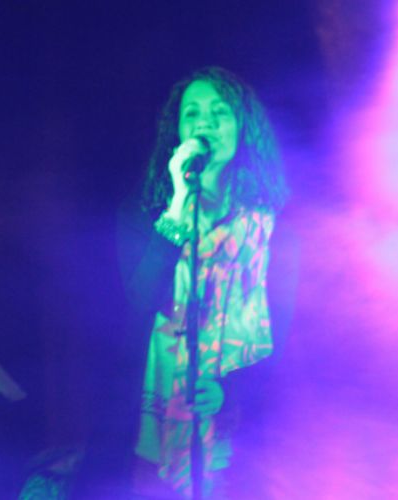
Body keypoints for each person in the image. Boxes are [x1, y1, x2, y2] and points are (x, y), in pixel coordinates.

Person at [113, 66, 289, 499]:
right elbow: (141, 304)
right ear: (177, 131)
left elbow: (291, 336)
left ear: (242, 127)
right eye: (192, 113)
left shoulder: (272, 227)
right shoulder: (145, 216)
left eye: (219, 112)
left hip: (243, 426)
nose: (204, 123)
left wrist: (231, 392)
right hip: (161, 413)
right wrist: (177, 204)